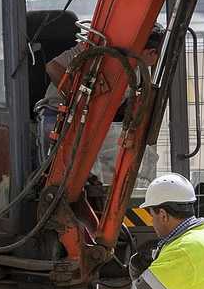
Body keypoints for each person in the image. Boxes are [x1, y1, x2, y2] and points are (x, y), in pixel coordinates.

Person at [43, 24, 166, 182]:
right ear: (151, 52)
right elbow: (53, 67)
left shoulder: (136, 71)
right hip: (56, 115)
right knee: (54, 174)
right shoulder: (95, 49)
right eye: (159, 56)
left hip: (92, 124)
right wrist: (78, 102)